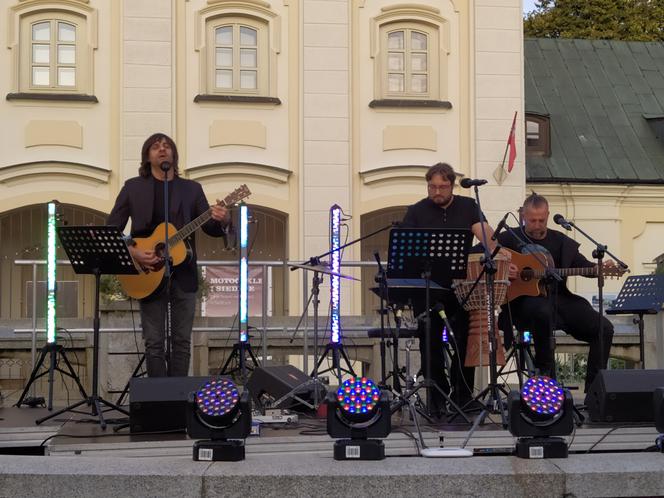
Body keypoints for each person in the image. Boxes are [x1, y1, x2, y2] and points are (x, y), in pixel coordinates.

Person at [107, 133, 230, 377]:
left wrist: (224, 219)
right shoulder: (133, 187)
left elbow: (209, 227)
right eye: (155, 146)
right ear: (147, 156)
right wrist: (134, 253)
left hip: (183, 273)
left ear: (173, 154)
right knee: (154, 343)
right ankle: (159, 404)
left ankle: (179, 400)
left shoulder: (192, 189)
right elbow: (112, 228)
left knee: (182, 342)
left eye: (167, 146)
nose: (162, 149)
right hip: (148, 272)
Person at [401, 162, 506, 417]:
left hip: (460, 287)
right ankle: (437, 397)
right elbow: (404, 251)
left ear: (451, 185)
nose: (437, 191)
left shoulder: (468, 206)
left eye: (442, 186)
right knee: (430, 339)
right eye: (432, 186)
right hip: (426, 288)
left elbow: (488, 239)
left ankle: (462, 395)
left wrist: (504, 258)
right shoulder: (416, 212)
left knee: (463, 338)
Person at [497, 193, 615, 391]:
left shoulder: (561, 241)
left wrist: (598, 269)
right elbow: (480, 253)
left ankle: (594, 392)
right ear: (523, 216)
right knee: (542, 312)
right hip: (522, 303)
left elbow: (582, 265)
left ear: (548, 215)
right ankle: (545, 375)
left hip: (560, 300)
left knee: (604, 329)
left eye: (541, 220)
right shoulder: (509, 237)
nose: (536, 225)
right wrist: (503, 266)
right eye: (532, 220)